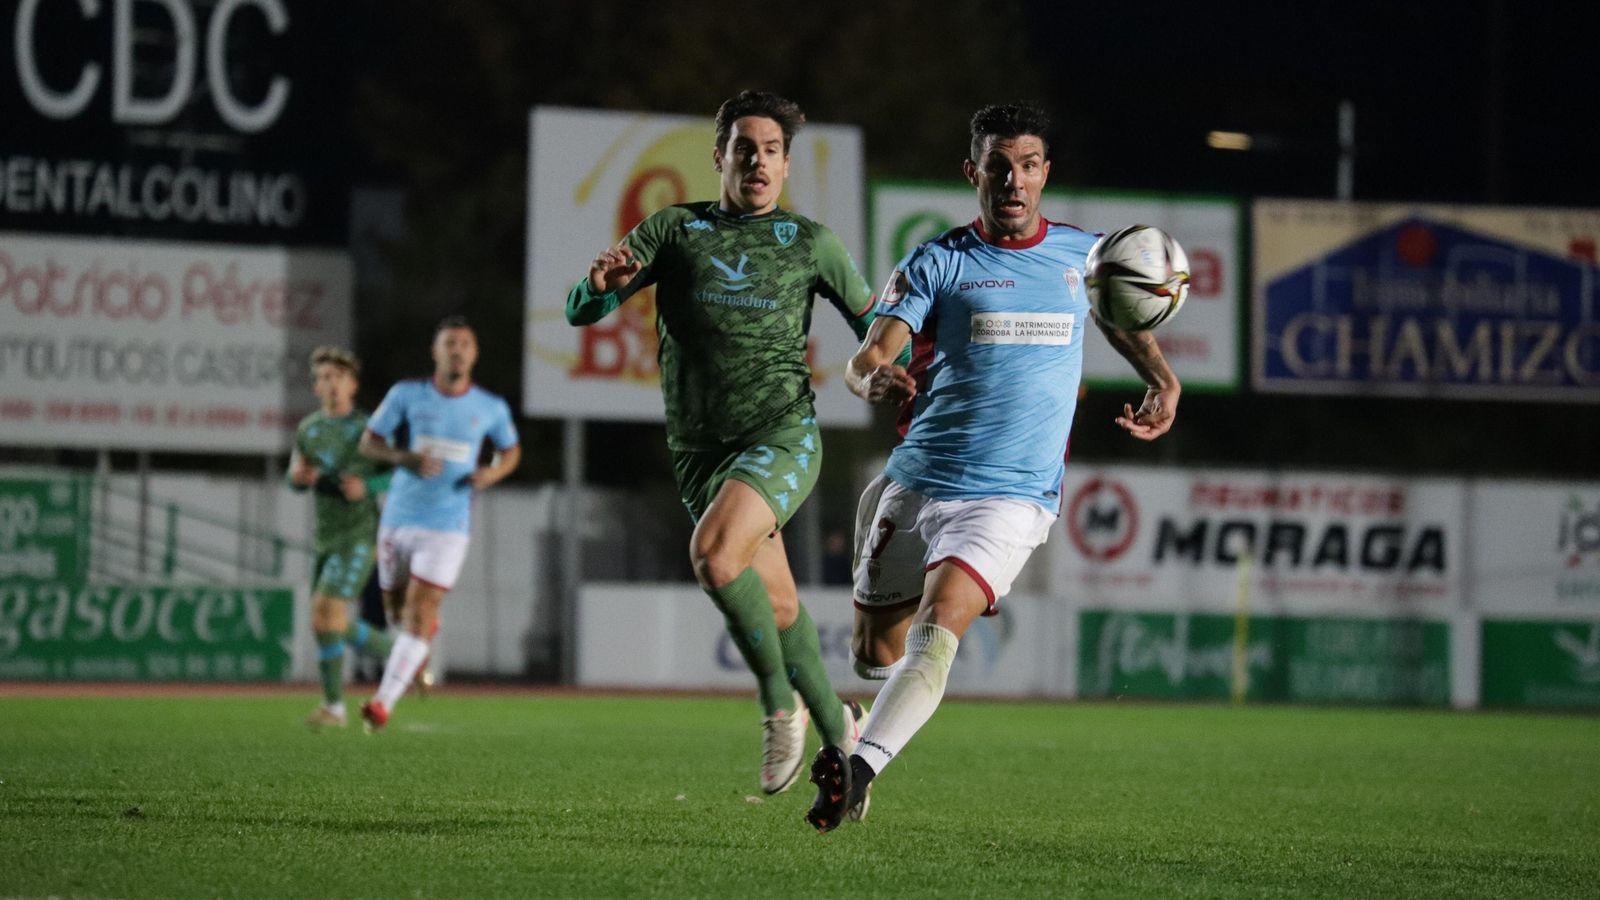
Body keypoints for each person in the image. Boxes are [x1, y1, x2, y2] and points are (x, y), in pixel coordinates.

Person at [806, 103, 1182, 832]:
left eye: (1029, 165)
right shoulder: (936, 260)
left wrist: (1162, 378)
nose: (1013, 180)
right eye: (998, 166)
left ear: (1046, 173)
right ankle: (857, 729)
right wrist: (871, 378)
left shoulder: (1086, 257)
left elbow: (1119, 314)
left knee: (940, 627)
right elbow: (868, 356)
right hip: (918, 481)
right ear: (972, 172)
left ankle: (859, 771)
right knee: (873, 651)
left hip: (1012, 497)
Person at [567, 90, 884, 794]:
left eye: (771, 150)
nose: (758, 161)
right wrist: (596, 289)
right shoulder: (675, 231)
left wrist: (895, 372)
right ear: (720, 157)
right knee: (775, 608)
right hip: (700, 455)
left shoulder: (812, 244)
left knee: (713, 557)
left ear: (787, 165)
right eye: (745, 148)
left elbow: (878, 327)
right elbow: (580, 311)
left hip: (781, 436)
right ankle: (844, 732)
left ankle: (779, 705)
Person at [356, 316, 521, 731]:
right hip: (398, 519)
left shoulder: (489, 407)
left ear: (475, 353)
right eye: (449, 343)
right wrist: (405, 457)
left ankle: (382, 703)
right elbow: (369, 442)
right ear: (436, 351)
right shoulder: (406, 395)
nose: (457, 350)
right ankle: (419, 646)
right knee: (395, 611)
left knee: (418, 611)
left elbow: (511, 451)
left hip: (448, 526)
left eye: (465, 343)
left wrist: (493, 473)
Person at [287, 346, 396, 729]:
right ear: (316, 386)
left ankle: (334, 709)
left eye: (339, 377)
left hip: (359, 536)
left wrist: (367, 486)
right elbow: (293, 476)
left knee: (326, 611)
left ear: (353, 385)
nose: (331, 384)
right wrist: (297, 480)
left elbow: (399, 474)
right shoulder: (308, 430)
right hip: (325, 538)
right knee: (324, 619)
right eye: (324, 378)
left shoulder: (369, 430)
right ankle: (402, 654)